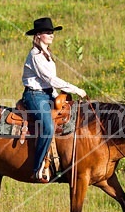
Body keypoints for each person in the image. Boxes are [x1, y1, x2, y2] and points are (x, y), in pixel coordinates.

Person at [22, 17, 87, 182]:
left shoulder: (47, 54)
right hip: (34, 96)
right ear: (38, 35)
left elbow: (49, 83)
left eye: (52, 32)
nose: (51, 35)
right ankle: (37, 168)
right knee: (48, 127)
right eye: (47, 32)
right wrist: (75, 89)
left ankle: (60, 162)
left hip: (48, 94)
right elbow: (50, 79)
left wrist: (58, 95)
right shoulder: (35, 55)